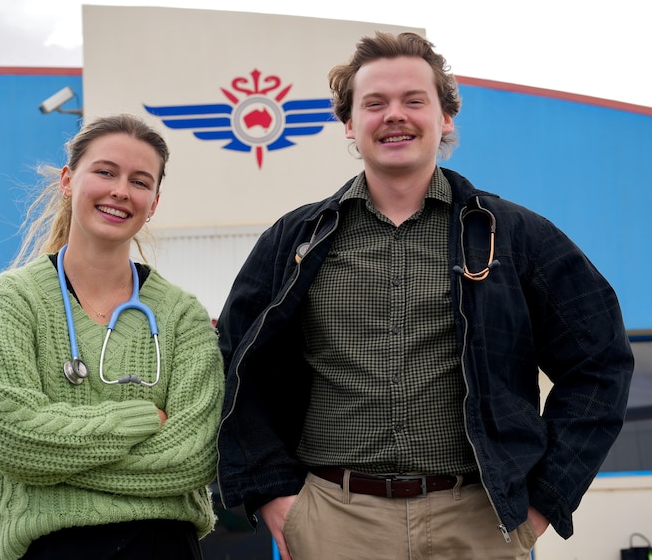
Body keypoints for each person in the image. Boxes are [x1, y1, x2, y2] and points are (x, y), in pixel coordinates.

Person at [215, 31, 634, 560]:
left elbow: (601, 362)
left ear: (446, 118)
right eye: (375, 103)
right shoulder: (295, 241)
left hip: (479, 524)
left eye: (415, 100)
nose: (395, 115)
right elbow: (235, 363)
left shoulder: (515, 236)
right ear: (349, 123)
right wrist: (273, 491)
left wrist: (544, 501)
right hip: (334, 521)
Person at [0, 114, 225, 560]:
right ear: (68, 180)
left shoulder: (182, 316)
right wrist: (142, 420)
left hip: (162, 547)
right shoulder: (9, 303)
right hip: (51, 549)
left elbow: (194, 456)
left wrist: (55, 465)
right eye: (105, 172)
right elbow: (14, 439)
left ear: (154, 202)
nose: (121, 191)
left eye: (140, 181)